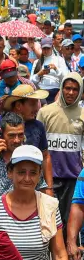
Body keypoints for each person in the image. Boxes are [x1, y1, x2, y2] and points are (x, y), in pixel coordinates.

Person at [38, 72, 83, 227]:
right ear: (61, 88)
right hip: (50, 177)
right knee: (49, 221)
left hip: (74, 178)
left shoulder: (83, 114)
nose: (71, 93)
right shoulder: (45, 112)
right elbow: (38, 144)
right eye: (67, 88)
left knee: (69, 220)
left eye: (75, 89)